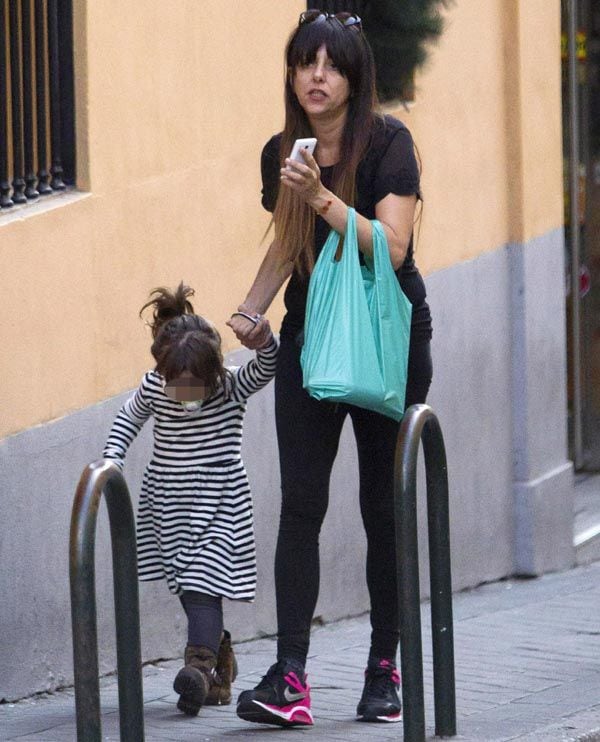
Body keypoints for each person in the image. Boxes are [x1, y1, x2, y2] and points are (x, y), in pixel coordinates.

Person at [228, 9, 432, 728]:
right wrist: (252, 309)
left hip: (385, 340)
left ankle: (384, 670)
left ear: (354, 78)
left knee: (382, 507)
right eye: (304, 62)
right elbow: (289, 243)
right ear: (292, 74)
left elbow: (394, 248)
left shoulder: (389, 142)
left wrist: (320, 193)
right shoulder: (280, 150)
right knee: (302, 507)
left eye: (331, 64)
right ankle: (290, 677)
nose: (316, 75)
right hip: (313, 341)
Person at [103, 282, 278, 716]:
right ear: (163, 371)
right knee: (188, 585)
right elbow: (129, 418)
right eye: (177, 384)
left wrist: (264, 338)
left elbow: (268, 366)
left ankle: (197, 669)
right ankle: (218, 663)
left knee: (202, 584)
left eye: (195, 385)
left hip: (219, 507)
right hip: (169, 509)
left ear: (213, 372)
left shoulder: (231, 388)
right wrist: (112, 461)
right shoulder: (156, 388)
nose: (187, 395)